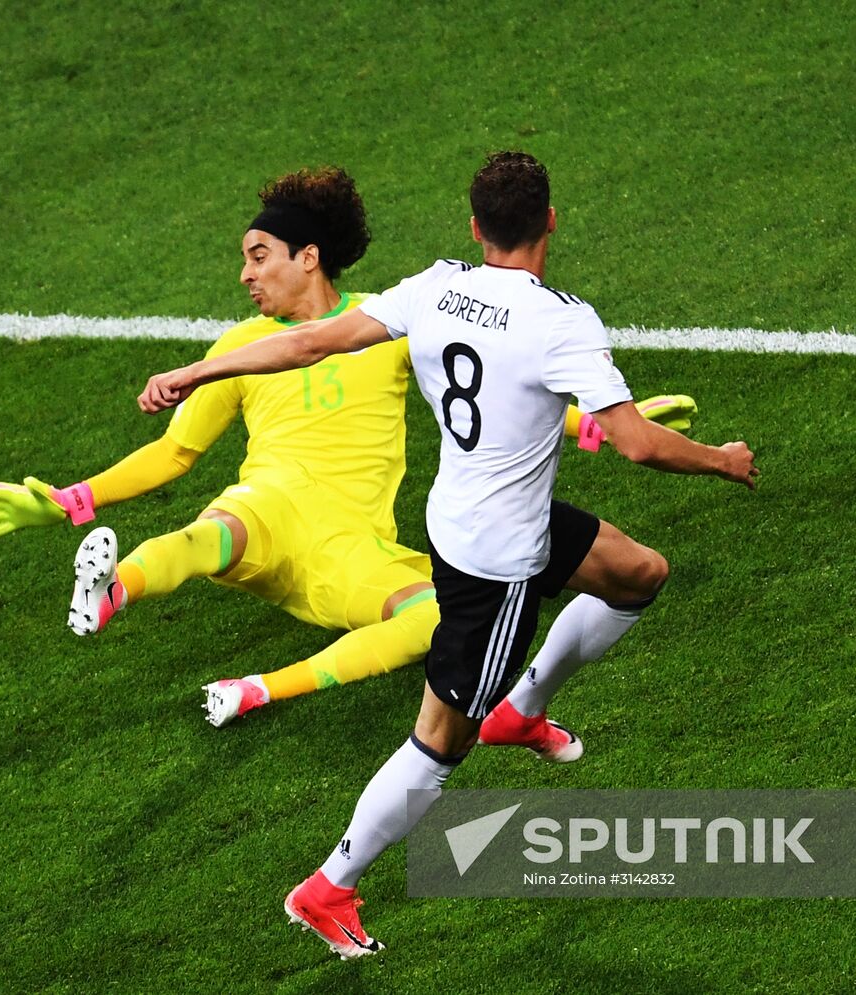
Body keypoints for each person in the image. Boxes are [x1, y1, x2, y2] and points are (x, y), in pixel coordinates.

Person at [138, 151, 759, 958]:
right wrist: (720, 458)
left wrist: (197, 369)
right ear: (550, 223)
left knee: (638, 572)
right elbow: (636, 443)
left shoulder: (437, 285)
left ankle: (522, 709)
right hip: (499, 562)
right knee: (438, 744)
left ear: (474, 227)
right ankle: (329, 886)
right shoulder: (560, 319)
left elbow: (310, 343)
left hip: (468, 516)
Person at [0, 166, 699, 730]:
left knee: (436, 618)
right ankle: (112, 589)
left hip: (350, 548)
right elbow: (174, 454)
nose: (246, 274)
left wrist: (602, 423)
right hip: (269, 512)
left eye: (258, 255)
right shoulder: (240, 349)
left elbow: (500, 394)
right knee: (212, 531)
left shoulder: (386, 325)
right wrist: (75, 499)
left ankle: (258, 688)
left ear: (309, 256)